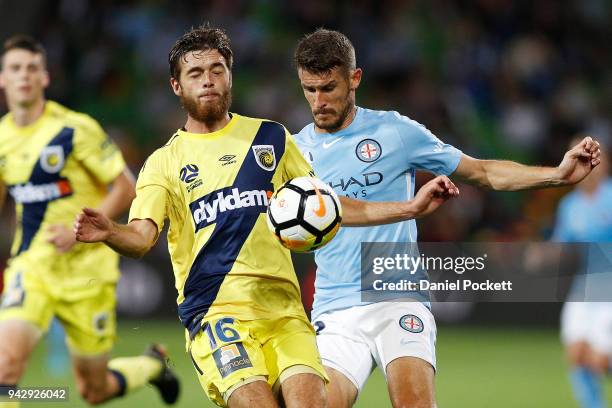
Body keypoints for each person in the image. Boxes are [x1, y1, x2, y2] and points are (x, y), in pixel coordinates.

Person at [73, 26, 459, 408]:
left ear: (229, 76)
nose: (208, 81)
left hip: (285, 313)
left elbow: (329, 206)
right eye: (195, 74)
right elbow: (141, 238)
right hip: (219, 317)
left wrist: (408, 208)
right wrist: (110, 231)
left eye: (217, 70)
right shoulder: (164, 163)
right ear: (177, 86)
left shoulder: (270, 139)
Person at [292, 28, 602, 408]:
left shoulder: (395, 132)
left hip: (399, 298)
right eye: (310, 90)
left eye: (329, 88)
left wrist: (556, 174)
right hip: (334, 308)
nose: (319, 100)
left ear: (355, 79)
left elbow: (481, 172)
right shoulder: (295, 151)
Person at [0, 35, 179, 407]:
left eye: (32, 68)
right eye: (15, 68)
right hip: (32, 267)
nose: (24, 77)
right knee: (5, 371)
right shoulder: (1, 136)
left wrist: (75, 231)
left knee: (93, 391)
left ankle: (151, 365)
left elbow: (125, 187)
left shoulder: (74, 129)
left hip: (88, 272)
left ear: (45, 78)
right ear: (3, 78)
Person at [552, 139, 612, 408]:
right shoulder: (570, 205)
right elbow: (561, 245)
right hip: (583, 287)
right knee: (576, 355)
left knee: (600, 361)